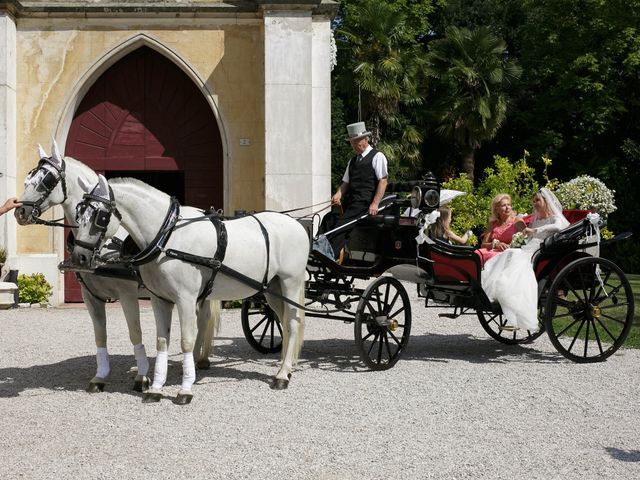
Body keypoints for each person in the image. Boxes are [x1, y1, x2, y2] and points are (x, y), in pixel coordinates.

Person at [481, 188, 570, 331]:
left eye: (537, 200)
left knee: (515, 257)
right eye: (533, 201)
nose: (534, 204)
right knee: (510, 254)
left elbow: (561, 226)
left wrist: (534, 231)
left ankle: (515, 311)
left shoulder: (554, 218)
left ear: (546, 202)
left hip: (542, 249)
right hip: (530, 247)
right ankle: (501, 296)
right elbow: (526, 236)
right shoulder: (536, 219)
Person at [325, 121, 388, 259]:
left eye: (355, 141)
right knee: (329, 219)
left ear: (365, 139)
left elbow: (383, 181)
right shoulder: (352, 161)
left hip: (365, 203)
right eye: (352, 142)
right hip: (352, 203)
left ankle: (329, 255)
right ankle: (321, 248)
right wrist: (338, 194)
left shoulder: (377, 157)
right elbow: (345, 183)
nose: (353, 145)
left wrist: (375, 203)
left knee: (341, 226)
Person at [477, 193, 525, 263]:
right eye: (503, 205)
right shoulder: (492, 224)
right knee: (478, 253)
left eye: (509, 205)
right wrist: (495, 245)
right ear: (497, 209)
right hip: (494, 254)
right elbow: (483, 244)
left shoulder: (517, 221)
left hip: (511, 256)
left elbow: (526, 241)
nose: (507, 207)